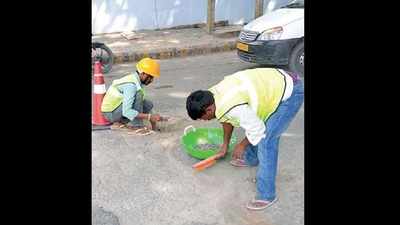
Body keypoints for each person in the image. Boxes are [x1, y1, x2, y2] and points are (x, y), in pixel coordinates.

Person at [186, 68, 304, 210]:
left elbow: (257, 130)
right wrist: (225, 145)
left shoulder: (233, 107)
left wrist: (241, 145)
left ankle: (266, 195)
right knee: (259, 127)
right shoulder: (212, 97)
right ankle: (252, 158)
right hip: (274, 84)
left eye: (202, 118)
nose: (203, 121)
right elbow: (225, 119)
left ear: (209, 110)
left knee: (267, 140)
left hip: (290, 93)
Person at [101, 58, 165, 135]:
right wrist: (149, 116)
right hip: (110, 113)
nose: (151, 80)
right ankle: (137, 126)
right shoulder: (131, 86)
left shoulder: (137, 80)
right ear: (142, 73)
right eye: (150, 76)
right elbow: (127, 111)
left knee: (148, 104)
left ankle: (120, 123)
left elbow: (143, 104)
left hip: (117, 109)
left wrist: (154, 123)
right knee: (138, 95)